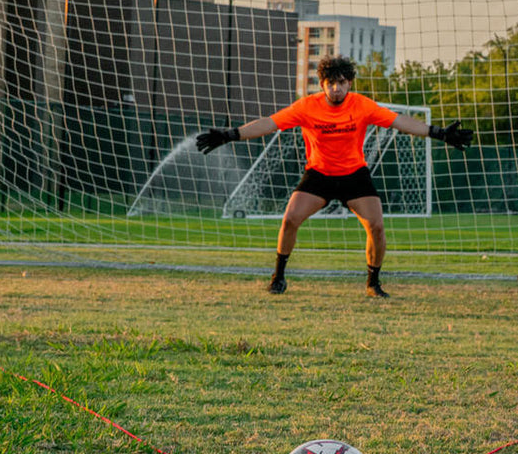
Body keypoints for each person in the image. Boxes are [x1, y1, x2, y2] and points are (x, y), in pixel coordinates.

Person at [195, 54, 471, 298]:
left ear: (350, 83)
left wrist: (438, 132)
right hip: (319, 176)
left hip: (354, 176)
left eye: (342, 82)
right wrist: (231, 135)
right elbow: (270, 123)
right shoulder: (307, 106)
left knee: (376, 226)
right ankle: (278, 277)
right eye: (331, 83)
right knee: (290, 219)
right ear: (322, 84)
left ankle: (373, 283)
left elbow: (399, 121)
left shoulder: (362, 105)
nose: (336, 88)